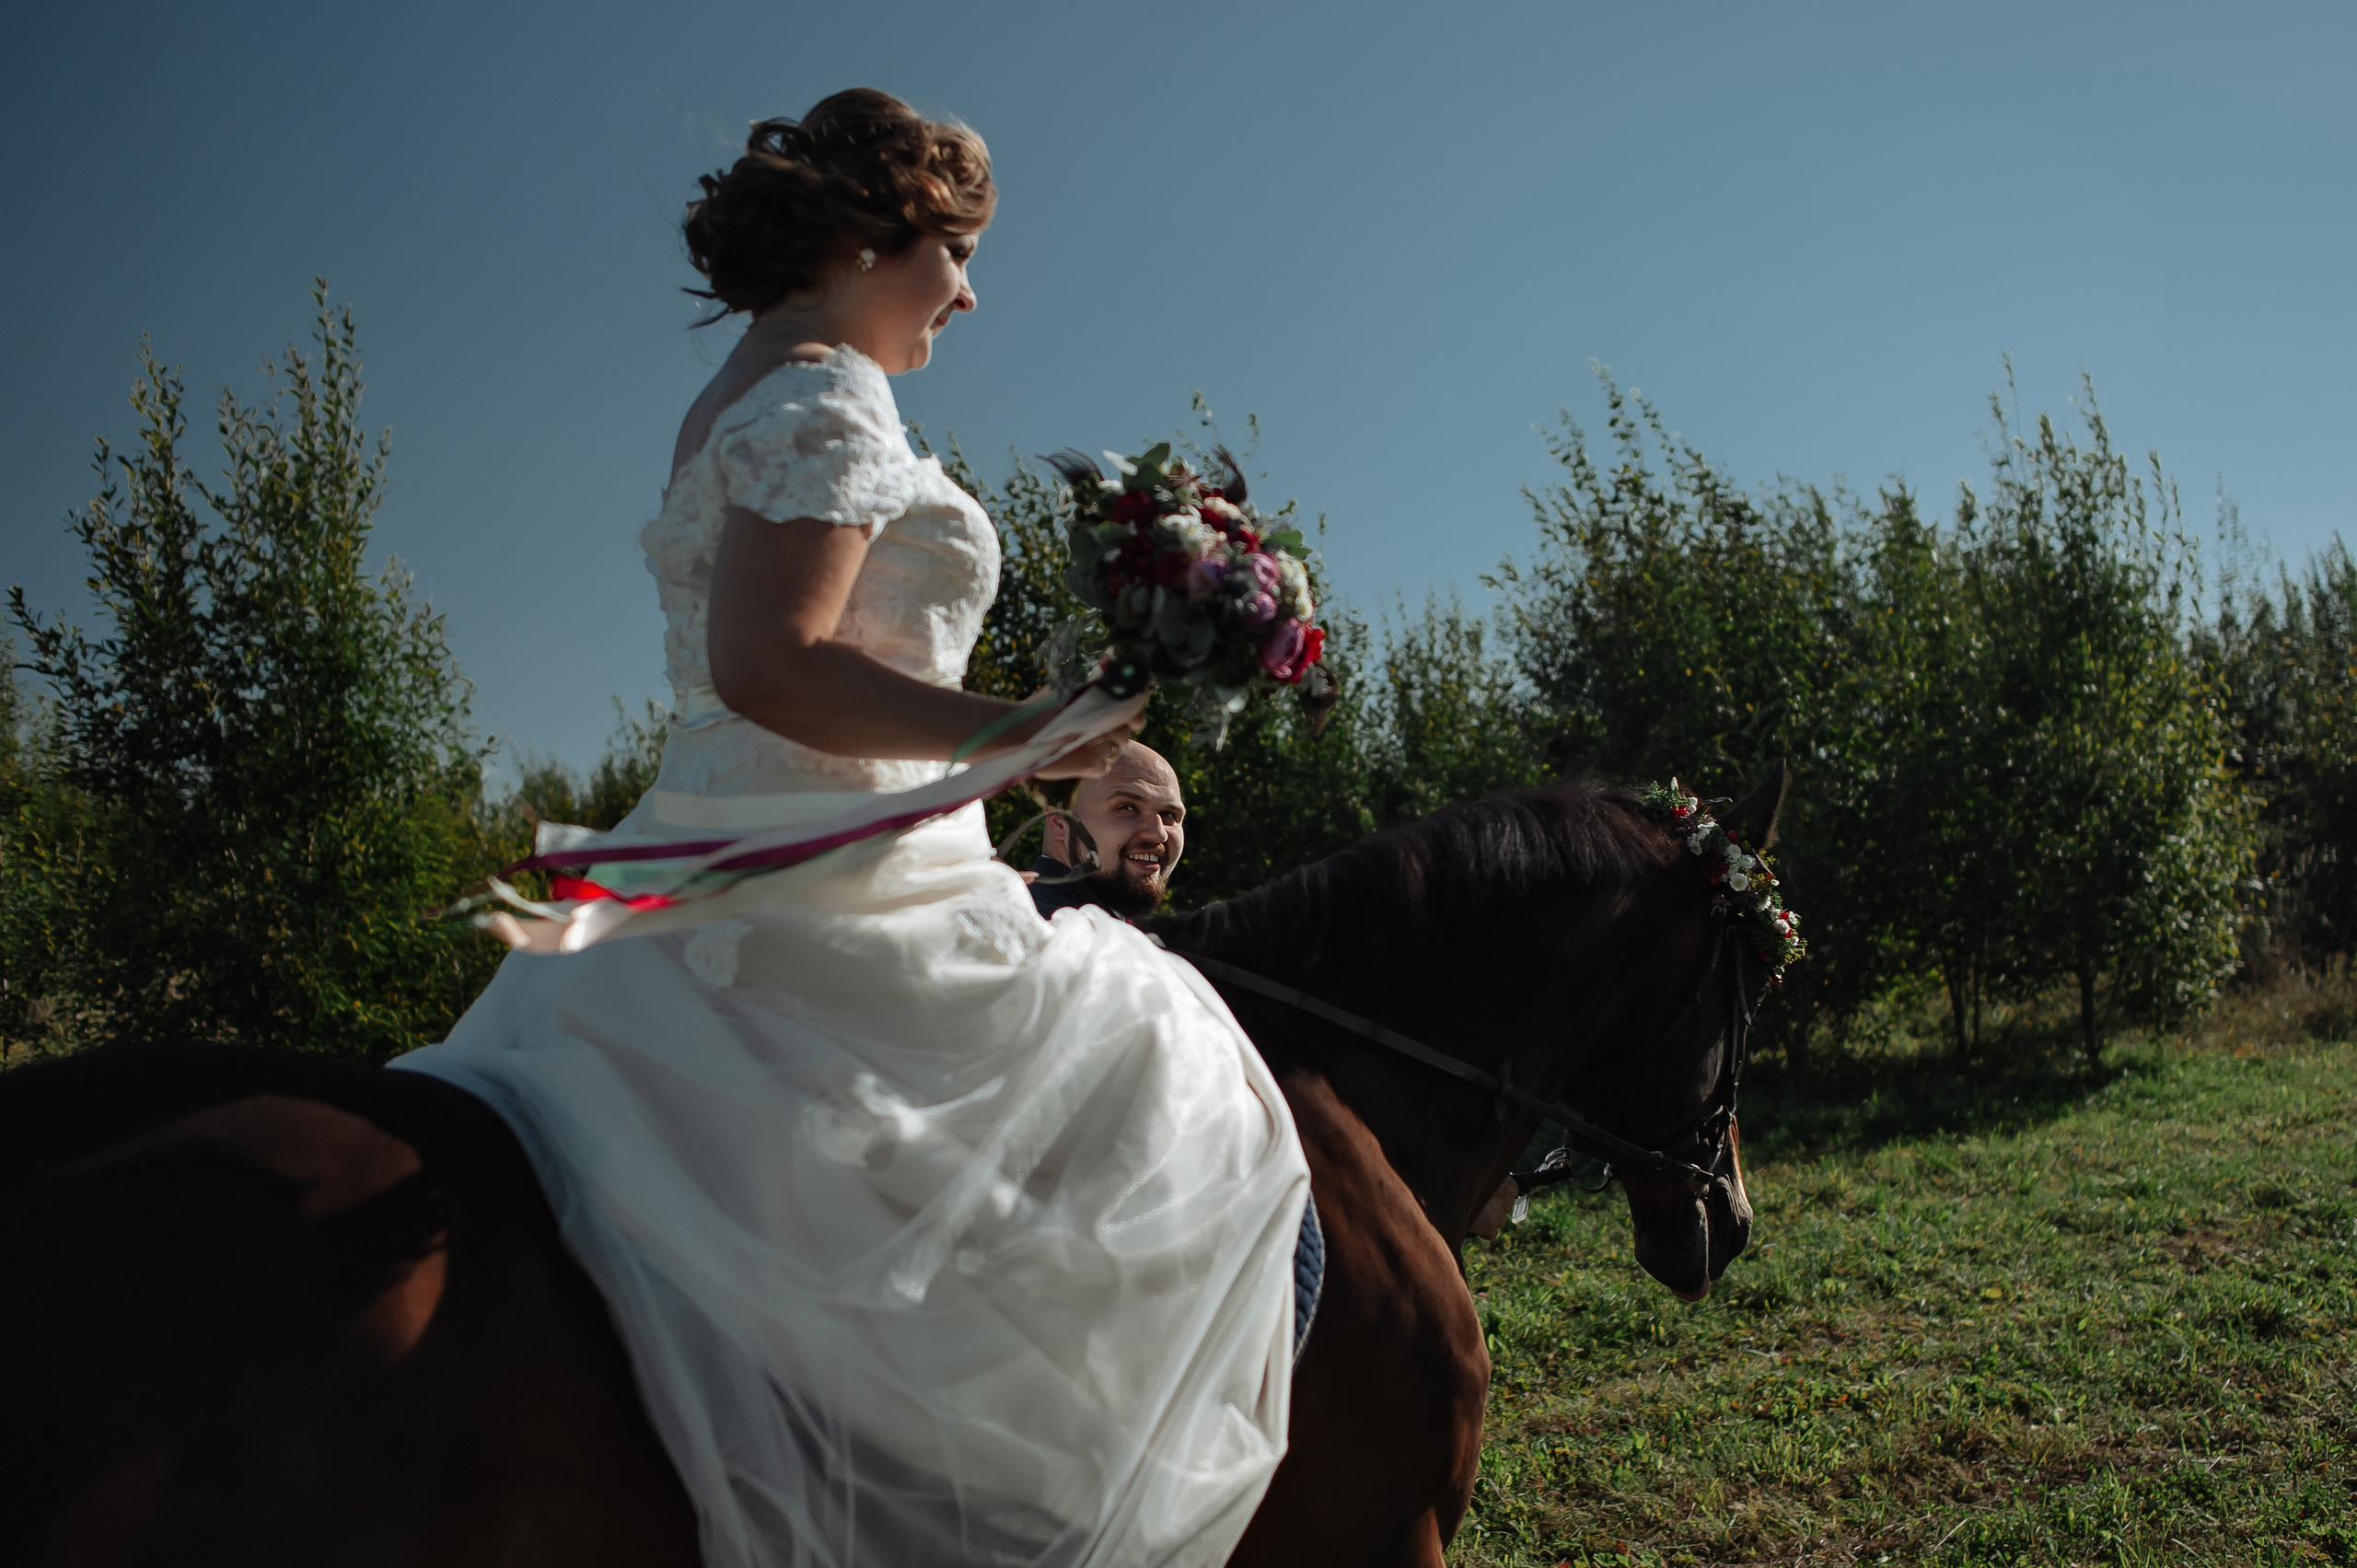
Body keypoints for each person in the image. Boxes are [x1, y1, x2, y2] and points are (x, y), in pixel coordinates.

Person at [392, 90, 1309, 1568]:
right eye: (956, 249)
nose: (969, 287)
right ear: (878, 235)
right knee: (1180, 1080)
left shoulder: (742, 390)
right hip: (836, 863)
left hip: (719, 831)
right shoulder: (826, 394)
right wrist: (1023, 737)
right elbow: (774, 661)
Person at [1028, 740, 1187, 920]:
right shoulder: (1043, 930)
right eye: (1127, 808)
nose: (1158, 833)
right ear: (1059, 822)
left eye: (1169, 815)